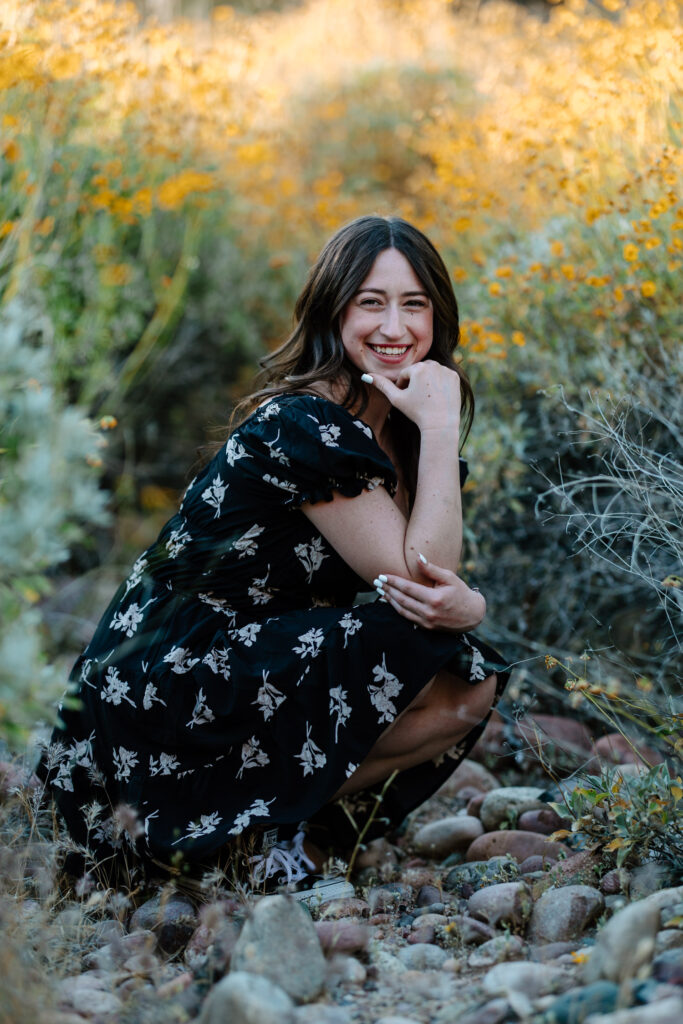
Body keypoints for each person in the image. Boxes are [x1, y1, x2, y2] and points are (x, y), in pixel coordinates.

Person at [39, 215, 508, 895]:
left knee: (466, 682)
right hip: (161, 688)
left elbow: (430, 587)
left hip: (253, 662)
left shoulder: (392, 425)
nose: (394, 327)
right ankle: (233, 831)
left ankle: (274, 828)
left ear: (438, 314)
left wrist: (469, 601)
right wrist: (439, 427)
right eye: (370, 302)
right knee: (426, 638)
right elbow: (423, 578)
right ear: (331, 309)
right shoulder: (305, 423)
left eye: (414, 304)